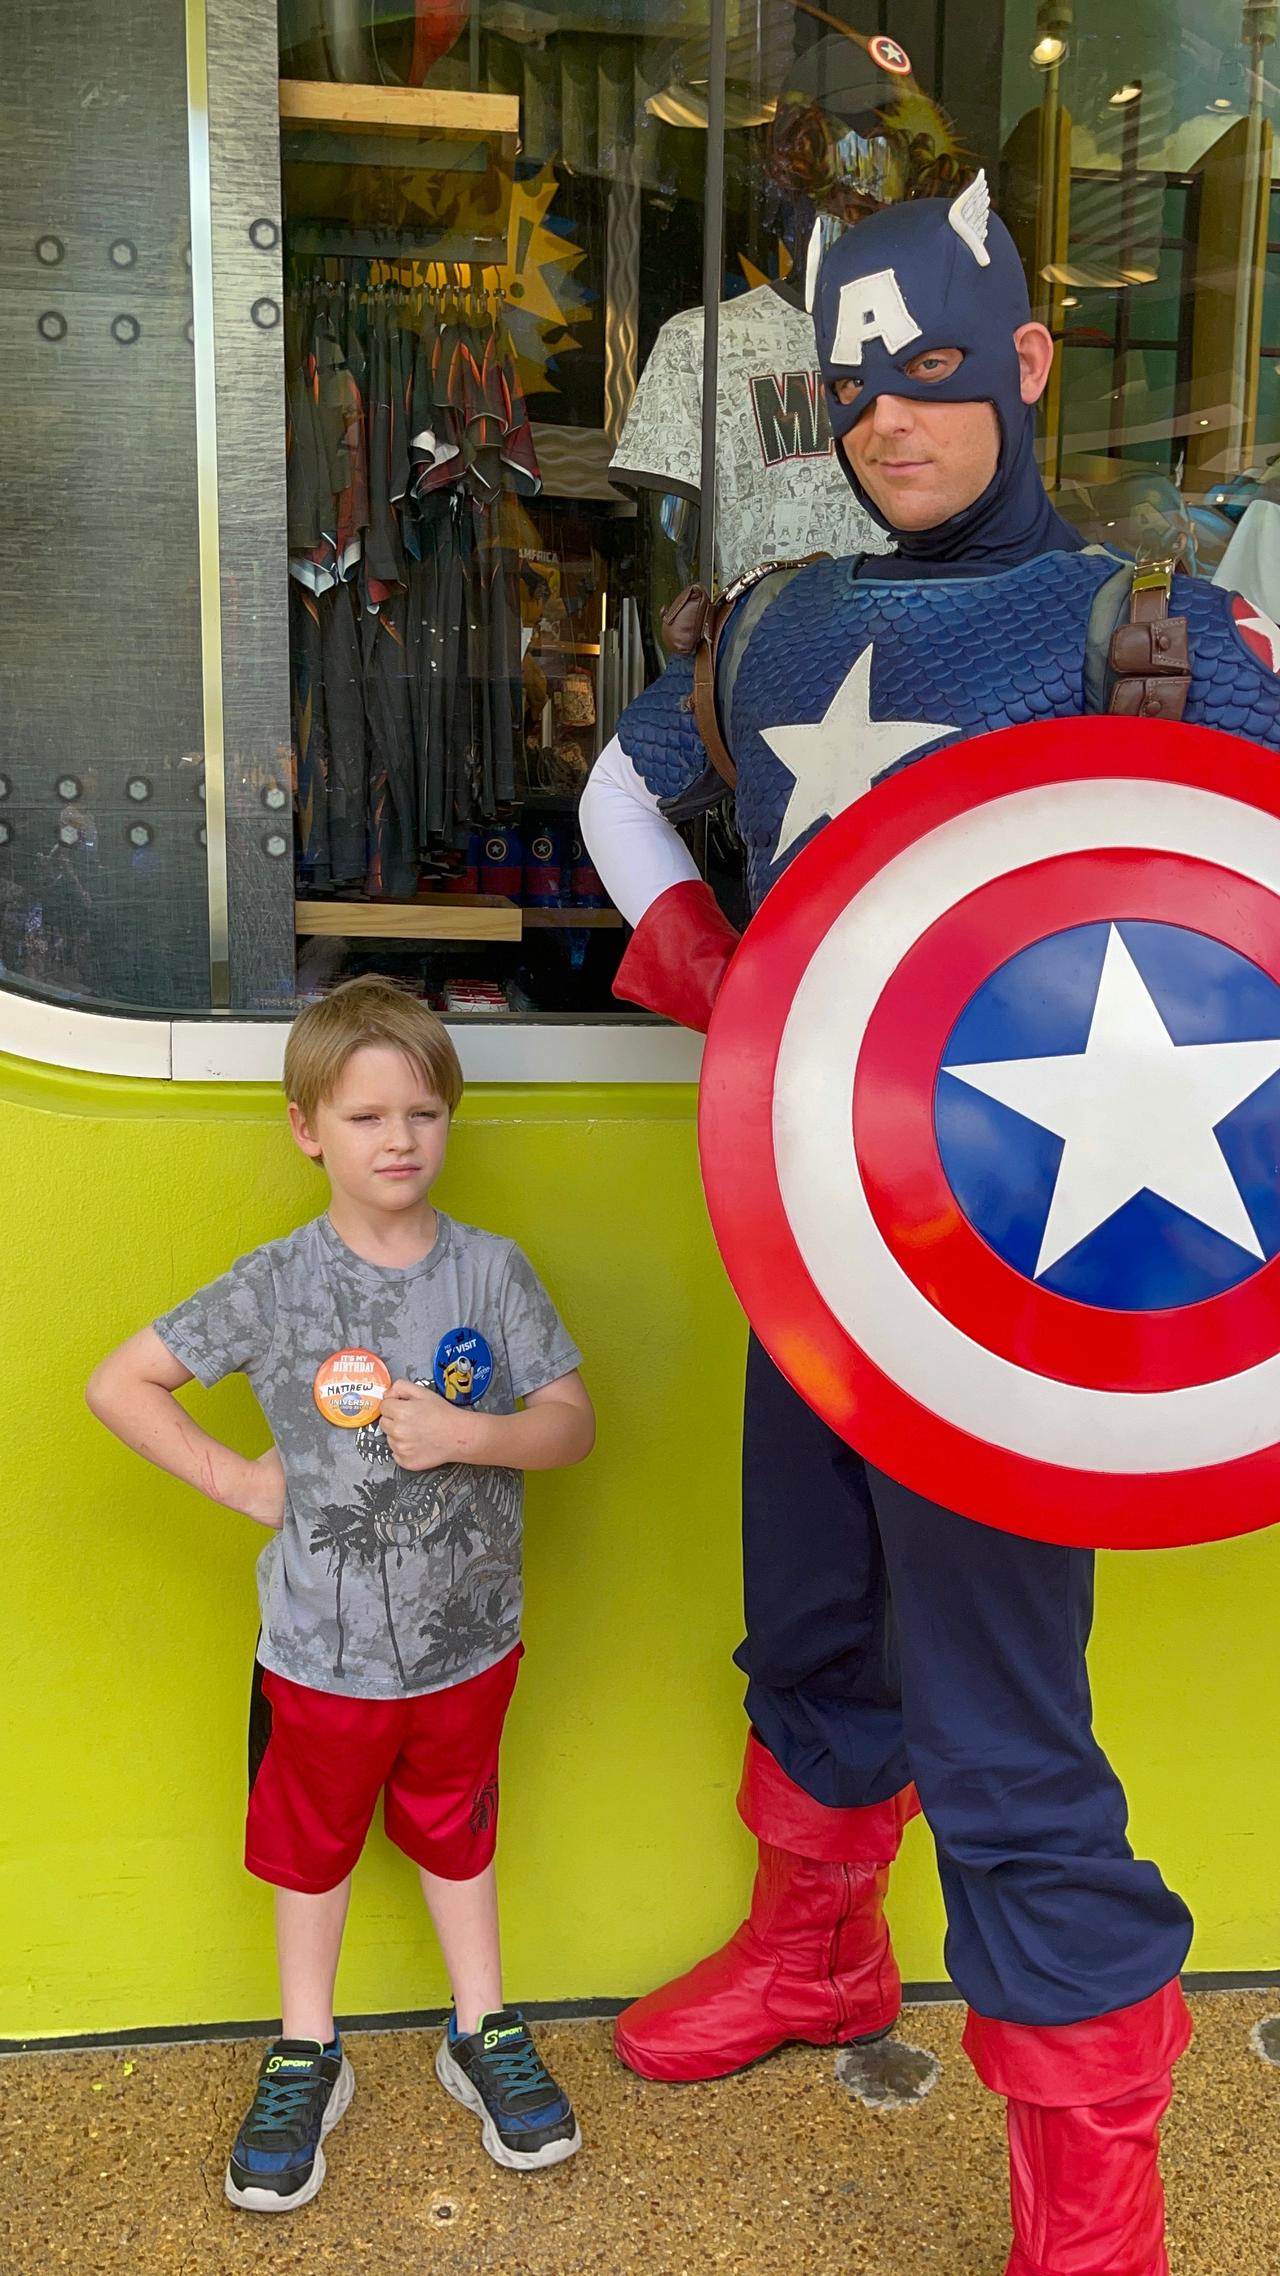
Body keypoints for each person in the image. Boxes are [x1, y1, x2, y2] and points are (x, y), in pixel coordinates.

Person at [580, 176, 1280, 2276]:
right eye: (855, 381)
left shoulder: (1142, 628)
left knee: (999, 1721)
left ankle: (1093, 2191)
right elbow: (630, 783)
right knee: (803, 1622)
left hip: (1024, 1284)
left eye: (935, 370)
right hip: (823, 1258)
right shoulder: (783, 620)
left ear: (1030, 366)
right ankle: (817, 1956)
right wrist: (710, 954)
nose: (892, 415)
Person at [86, 975, 595, 2212]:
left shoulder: (492, 1269)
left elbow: (569, 1426)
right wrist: (242, 1482)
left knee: (457, 1824)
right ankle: (306, 2046)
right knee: (309, 1853)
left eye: (422, 1111)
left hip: (471, 1643)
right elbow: (121, 1383)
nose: (399, 1139)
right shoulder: (276, 1283)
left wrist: (473, 1435)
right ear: (308, 1127)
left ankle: (482, 2024)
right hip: (318, 1654)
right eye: (366, 1116)